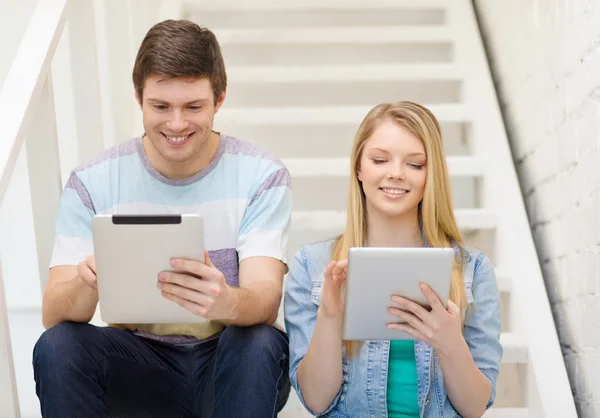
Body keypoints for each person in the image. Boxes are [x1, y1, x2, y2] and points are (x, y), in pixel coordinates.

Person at [33, 19, 291, 418]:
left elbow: (266, 299)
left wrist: (225, 301)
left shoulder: (261, 175)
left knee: (259, 340)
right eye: (160, 106)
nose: (176, 124)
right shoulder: (94, 181)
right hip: (139, 364)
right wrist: (88, 285)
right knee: (58, 345)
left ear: (219, 99)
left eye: (193, 106)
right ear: (138, 98)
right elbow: (54, 312)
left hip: (228, 362)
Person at [284, 101, 503, 418]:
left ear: (432, 176)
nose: (396, 174)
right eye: (379, 160)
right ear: (359, 168)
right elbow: (316, 400)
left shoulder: (472, 270)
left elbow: (474, 408)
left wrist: (450, 343)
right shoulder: (311, 266)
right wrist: (330, 316)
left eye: (415, 164)